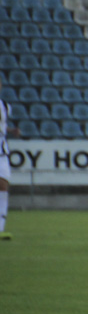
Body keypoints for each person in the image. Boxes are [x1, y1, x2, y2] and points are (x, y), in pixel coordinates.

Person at [0, 74, 18, 241]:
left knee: (3, 186)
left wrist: (11, 131)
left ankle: (0, 228)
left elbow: (2, 127)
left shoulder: (5, 106)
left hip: (2, 153)